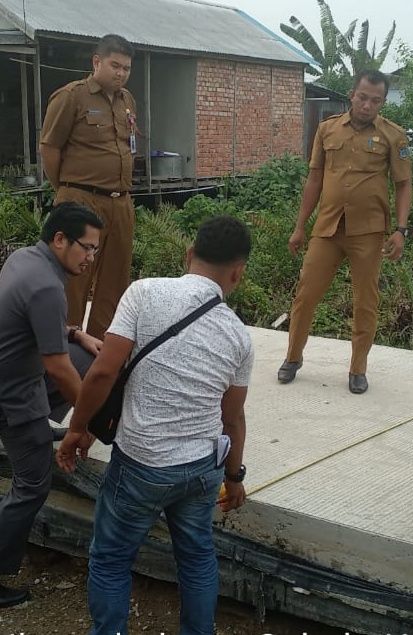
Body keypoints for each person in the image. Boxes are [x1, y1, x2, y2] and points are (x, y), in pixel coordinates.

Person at [56, 216, 254, 635]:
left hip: (142, 465)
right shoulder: (239, 335)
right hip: (203, 469)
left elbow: (103, 372)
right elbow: (232, 419)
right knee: (198, 558)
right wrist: (234, 477)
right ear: (238, 272)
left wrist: (77, 429)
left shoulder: (144, 293)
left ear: (189, 254)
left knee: (111, 559)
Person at [278, 69, 413, 394]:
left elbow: (404, 184)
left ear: (382, 102)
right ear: (352, 94)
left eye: (376, 100)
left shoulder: (395, 136)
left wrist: (401, 230)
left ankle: (358, 369)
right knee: (306, 294)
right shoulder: (326, 130)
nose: (368, 105)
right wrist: (299, 227)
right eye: (363, 97)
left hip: (368, 232)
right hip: (327, 227)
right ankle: (292, 358)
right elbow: (314, 179)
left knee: (365, 301)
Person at [0, 202, 104, 607]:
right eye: (86, 248)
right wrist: (88, 418)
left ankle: (49, 424)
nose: (91, 258)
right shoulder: (47, 286)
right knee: (32, 483)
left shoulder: (26, 259)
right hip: (11, 394)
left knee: (90, 358)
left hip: (13, 369)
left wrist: (76, 333)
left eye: (96, 250)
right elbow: (58, 369)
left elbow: (29, 320)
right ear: (60, 239)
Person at [40, 34, 138, 340]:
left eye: (126, 68)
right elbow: (50, 148)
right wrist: (67, 191)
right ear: (97, 62)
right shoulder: (71, 97)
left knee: (115, 281)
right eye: (115, 65)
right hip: (81, 200)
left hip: (120, 202)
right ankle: (64, 347)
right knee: (74, 277)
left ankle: (101, 352)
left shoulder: (127, 101)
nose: (121, 73)